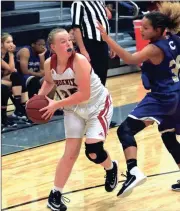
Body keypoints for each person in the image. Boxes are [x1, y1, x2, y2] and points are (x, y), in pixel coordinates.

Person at [97, 1, 180, 197]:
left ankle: (133, 171)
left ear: (158, 30)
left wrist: (106, 38)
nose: (142, 30)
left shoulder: (154, 49)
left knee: (125, 130)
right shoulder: (175, 39)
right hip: (177, 93)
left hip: (163, 97)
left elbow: (129, 59)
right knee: (168, 134)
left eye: (146, 28)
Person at [38, 28, 118, 210]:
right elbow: (49, 82)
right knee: (70, 153)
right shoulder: (49, 64)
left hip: (96, 106)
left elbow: (84, 94)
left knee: (94, 151)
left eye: (69, 40)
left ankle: (110, 167)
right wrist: (38, 100)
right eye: (63, 41)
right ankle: (55, 194)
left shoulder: (79, 61)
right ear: (53, 47)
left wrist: (55, 104)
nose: (69, 44)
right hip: (73, 109)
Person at [1, 32, 27, 120]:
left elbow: (10, 71)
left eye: (12, 42)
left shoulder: (8, 54)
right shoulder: (8, 54)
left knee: (17, 78)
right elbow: (11, 69)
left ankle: (20, 109)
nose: (11, 44)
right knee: (15, 82)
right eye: (8, 42)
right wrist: (12, 54)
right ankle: (19, 108)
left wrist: (9, 70)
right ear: (1, 43)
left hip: (3, 78)